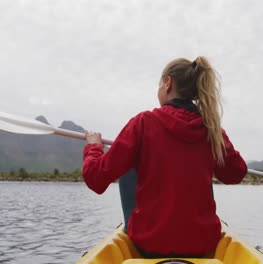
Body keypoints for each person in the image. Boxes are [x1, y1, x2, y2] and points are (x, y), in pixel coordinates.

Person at [82, 56, 247, 258]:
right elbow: (236, 173)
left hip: (150, 243)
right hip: (201, 243)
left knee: (130, 162)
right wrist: (216, 146)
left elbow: (95, 178)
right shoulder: (212, 130)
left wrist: (94, 147)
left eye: (159, 83)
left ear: (168, 83)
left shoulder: (143, 123)